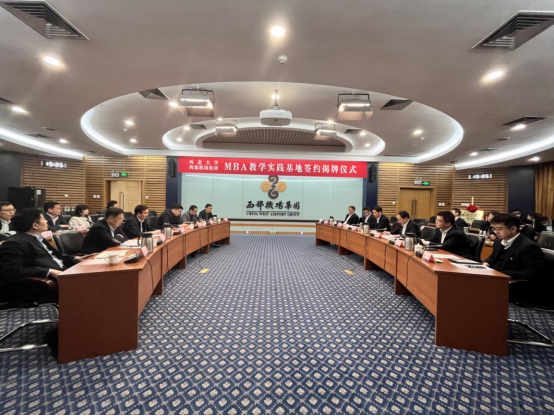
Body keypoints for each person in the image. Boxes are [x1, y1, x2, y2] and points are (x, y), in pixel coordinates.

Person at [0, 209, 89, 301]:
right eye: (43, 219)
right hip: (43, 283)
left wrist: (75, 258)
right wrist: (48, 271)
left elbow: (54, 257)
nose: (46, 221)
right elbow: (11, 271)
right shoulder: (15, 243)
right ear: (35, 225)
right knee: (91, 286)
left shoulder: (37, 237)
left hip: (62, 271)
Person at [484, 213, 545, 303]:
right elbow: (492, 257)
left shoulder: (528, 247)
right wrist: (486, 263)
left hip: (515, 283)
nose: (496, 232)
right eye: (494, 229)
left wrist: (500, 274)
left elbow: (531, 272)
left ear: (513, 229)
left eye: (499, 229)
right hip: (495, 278)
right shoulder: (498, 242)